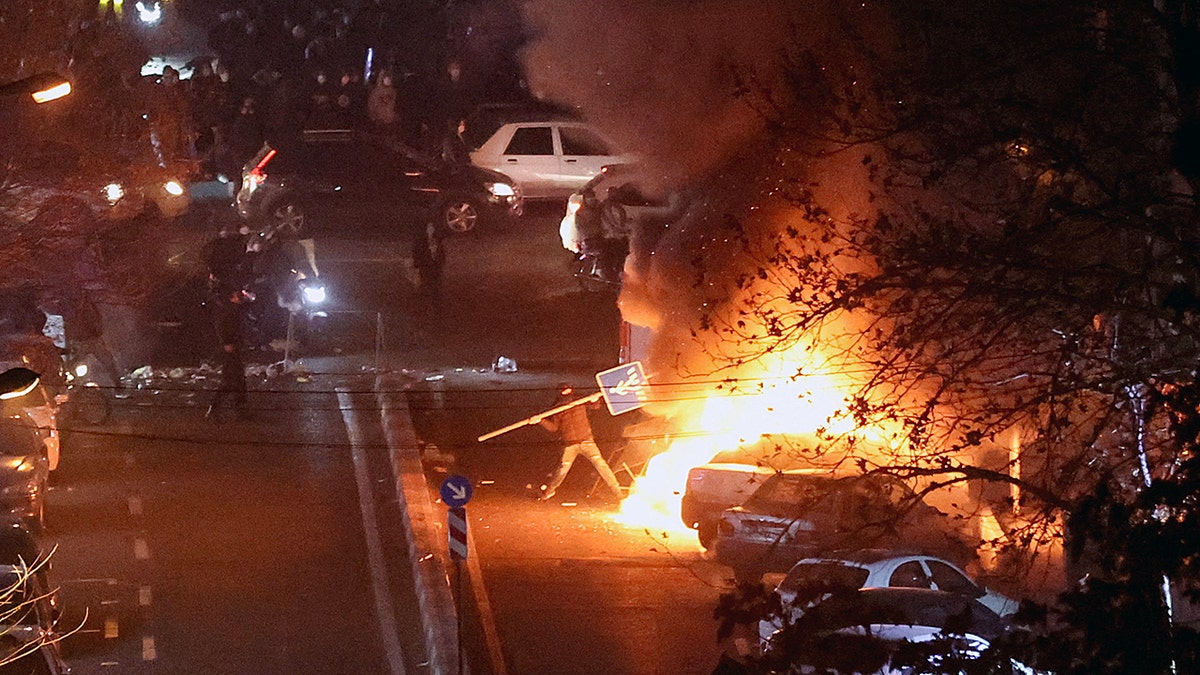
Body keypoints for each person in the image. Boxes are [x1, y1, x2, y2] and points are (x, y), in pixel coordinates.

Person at [536, 384, 623, 502]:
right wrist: (541, 421)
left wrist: (594, 400)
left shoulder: (580, 400)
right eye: (564, 391)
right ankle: (549, 492)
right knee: (562, 469)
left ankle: (618, 492)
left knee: (601, 465)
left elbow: (595, 406)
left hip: (587, 441)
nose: (567, 393)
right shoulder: (557, 408)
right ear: (560, 393)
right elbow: (554, 427)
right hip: (570, 444)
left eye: (568, 390)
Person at [207, 291, 249, 421]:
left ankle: (235, 408)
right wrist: (226, 342)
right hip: (231, 349)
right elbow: (222, 326)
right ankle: (221, 407)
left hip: (234, 348)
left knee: (234, 378)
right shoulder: (229, 310)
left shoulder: (234, 309)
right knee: (232, 378)